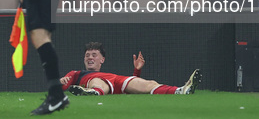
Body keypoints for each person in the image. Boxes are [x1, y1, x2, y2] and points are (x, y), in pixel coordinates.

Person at [61, 42, 201, 96]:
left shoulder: (109, 74)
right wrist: (60, 82)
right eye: (87, 55)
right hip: (97, 83)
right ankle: (93, 92)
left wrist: (136, 71)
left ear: (102, 60)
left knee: (150, 83)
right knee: (97, 81)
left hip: (117, 81)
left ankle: (181, 90)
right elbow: (61, 86)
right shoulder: (76, 74)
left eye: (94, 55)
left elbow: (133, 88)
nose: (90, 57)